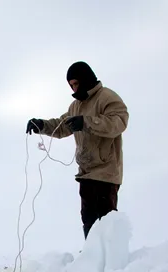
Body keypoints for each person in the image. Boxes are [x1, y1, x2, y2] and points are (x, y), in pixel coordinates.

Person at [26, 61, 129, 239]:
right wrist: (41, 125)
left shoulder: (107, 97)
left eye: (76, 84)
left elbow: (118, 123)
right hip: (86, 173)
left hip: (106, 173)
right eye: (71, 85)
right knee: (88, 219)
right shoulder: (76, 106)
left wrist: (87, 122)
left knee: (106, 220)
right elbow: (62, 126)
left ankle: (112, 261)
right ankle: (92, 257)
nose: (73, 89)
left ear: (86, 79)